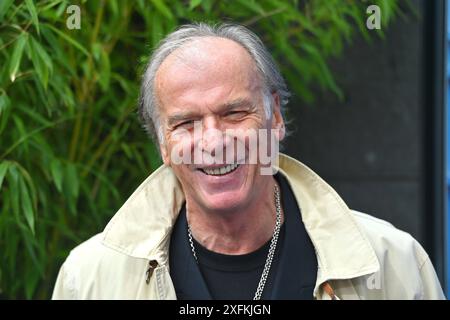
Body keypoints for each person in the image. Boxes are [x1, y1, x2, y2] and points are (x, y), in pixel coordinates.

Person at [52, 23, 445, 300]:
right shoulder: (89, 278)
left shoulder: (392, 263)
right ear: (163, 145)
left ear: (275, 118)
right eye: (186, 123)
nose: (213, 141)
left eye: (234, 114)